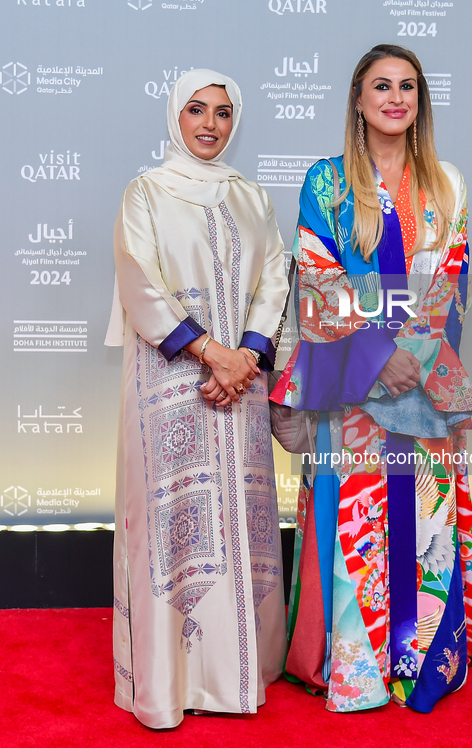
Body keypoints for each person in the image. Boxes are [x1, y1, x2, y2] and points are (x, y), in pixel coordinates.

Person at [270, 45, 472, 714]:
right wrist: (376, 354)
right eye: (381, 86)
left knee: (424, 519)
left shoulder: (447, 184)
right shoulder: (327, 181)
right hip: (354, 383)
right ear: (357, 98)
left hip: (425, 380)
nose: (394, 97)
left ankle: (423, 650)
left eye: (407, 86)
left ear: (419, 100)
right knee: (362, 522)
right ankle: (360, 668)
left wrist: (418, 361)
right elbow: (314, 278)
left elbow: (451, 287)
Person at [105, 69, 288, 729]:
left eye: (221, 113)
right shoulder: (145, 193)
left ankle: (240, 671)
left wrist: (246, 357)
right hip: (171, 387)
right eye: (195, 111)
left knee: (238, 520)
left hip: (238, 387)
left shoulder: (251, 198)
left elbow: (274, 277)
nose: (209, 124)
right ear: (173, 117)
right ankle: (170, 681)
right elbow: (140, 282)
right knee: (177, 524)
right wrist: (212, 352)